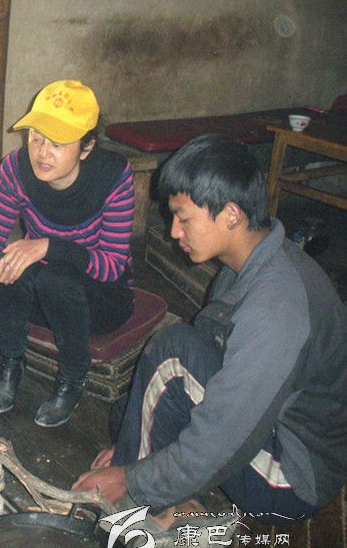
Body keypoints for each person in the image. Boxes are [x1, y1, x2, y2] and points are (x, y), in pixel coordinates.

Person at [73, 134, 347, 525]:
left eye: (184, 218)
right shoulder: (251, 263)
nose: (174, 232)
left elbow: (225, 439)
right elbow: (209, 351)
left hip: (290, 477)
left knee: (170, 355)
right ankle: (171, 493)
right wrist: (132, 442)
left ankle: (145, 516)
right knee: (128, 412)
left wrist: (130, 477)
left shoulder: (277, 309)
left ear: (231, 214)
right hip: (263, 429)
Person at [0, 80, 135, 427]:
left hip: (100, 302)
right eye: (36, 138)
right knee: (9, 262)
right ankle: (10, 362)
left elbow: (112, 266)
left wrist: (48, 245)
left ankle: (73, 377)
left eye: (57, 144)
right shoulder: (15, 169)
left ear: (87, 147)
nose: (42, 153)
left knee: (56, 277)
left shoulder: (113, 177)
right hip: (43, 302)